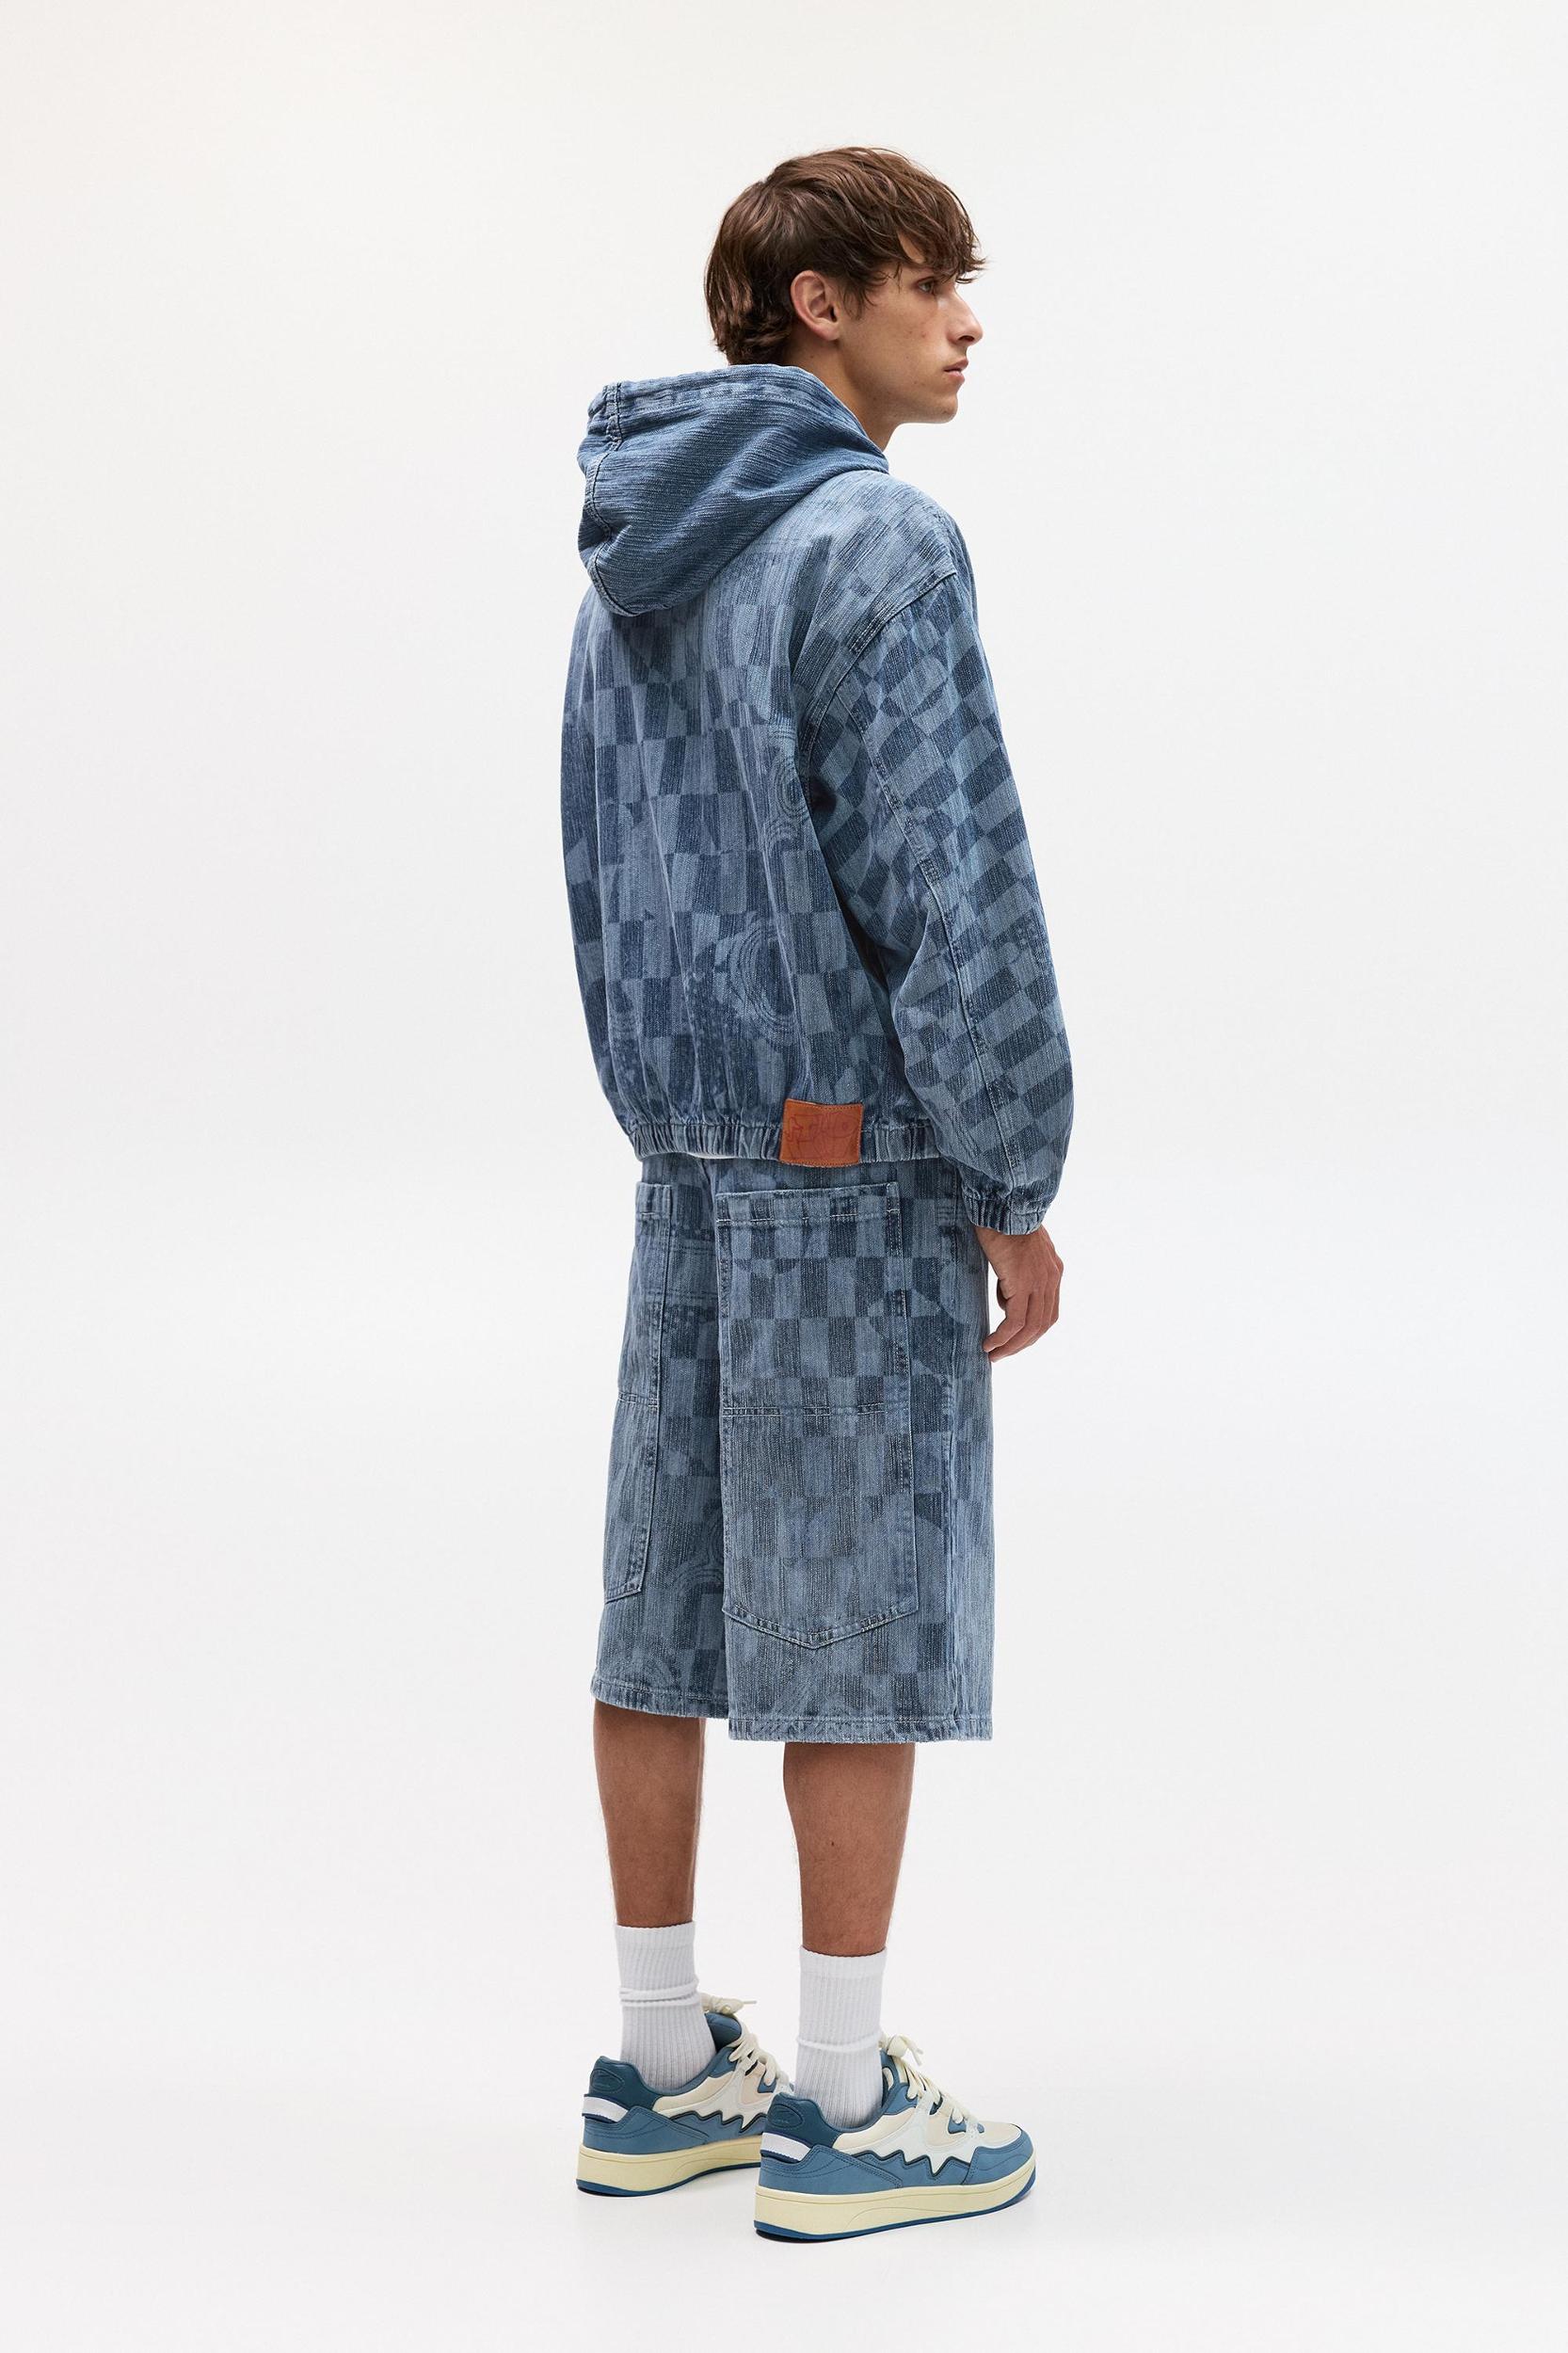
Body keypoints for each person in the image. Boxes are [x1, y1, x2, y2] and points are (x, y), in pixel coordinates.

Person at [559, 146, 1072, 2241]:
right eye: (928, 282)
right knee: (858, 1620)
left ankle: (659, 2064)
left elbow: (600, 872)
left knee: (663, 1609)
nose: (965, 319)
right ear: (815, 307)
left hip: (684, 1168)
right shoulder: (877, 541)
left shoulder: (633, 556)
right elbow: (950, 893)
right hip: (850, 1174)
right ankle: (844, 2105)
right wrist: (1010, 1175)